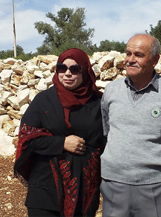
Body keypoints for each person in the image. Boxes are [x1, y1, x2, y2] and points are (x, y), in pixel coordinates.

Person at [100, 33, 161, 217]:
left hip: (156, 187)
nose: (130, 60)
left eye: (138, 55)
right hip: (114, 185)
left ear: (155, 60)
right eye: (128, 53)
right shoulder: (111, 90)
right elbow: (106, 131)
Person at [14, 48, 106, 217]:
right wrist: (61, 143)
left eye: (75, 69)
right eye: (62, 68)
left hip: (85, 190)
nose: (68, 73)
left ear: (85, 71)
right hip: (46, 191)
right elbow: (27, 138)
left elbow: (107, 141)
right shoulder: (44, 101)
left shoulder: (99, 102)